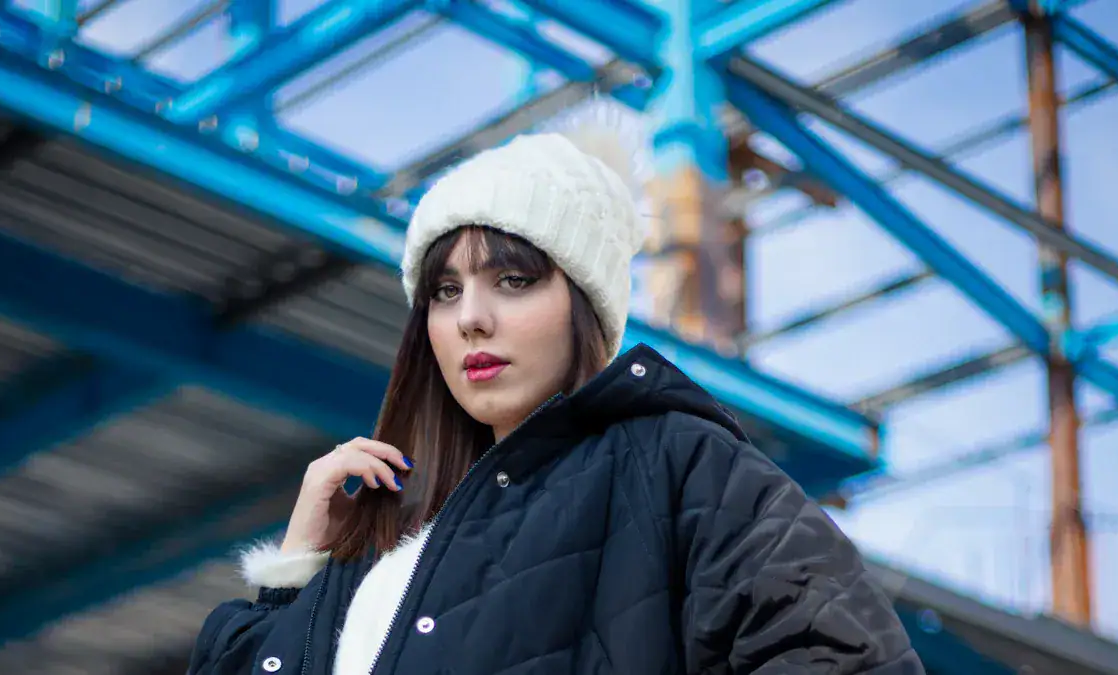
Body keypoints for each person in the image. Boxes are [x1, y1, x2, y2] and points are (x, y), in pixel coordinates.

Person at [187, 124, 925, 675]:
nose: (471, 315)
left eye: (513, 280)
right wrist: (294, 573)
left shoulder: (671, 460)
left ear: (586, 305)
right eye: (446, 291)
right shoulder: (387, 535)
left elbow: (849, 656)